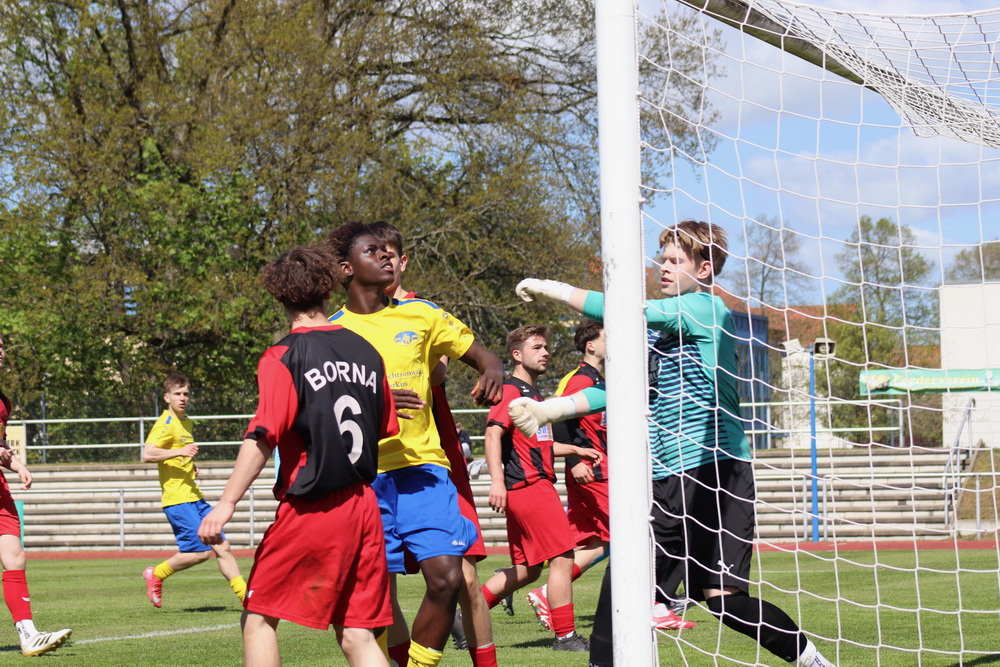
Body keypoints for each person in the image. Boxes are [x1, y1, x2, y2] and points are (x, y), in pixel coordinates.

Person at [511, 220, 835, 667]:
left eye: (674, 260)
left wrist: (555, 289)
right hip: (667, 477)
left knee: (718, 599)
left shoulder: (707, 308)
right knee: (633, 581)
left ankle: (812, 661)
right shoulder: (654, 335)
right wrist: (551, 410)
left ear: (703, 269)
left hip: (715, 470)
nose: (662, 267)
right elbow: (620, 390)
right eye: (661, 259)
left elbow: (624, 310)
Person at [199, 245, 398, 667]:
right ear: (328, 289)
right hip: (364, 506)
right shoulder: (367, 352)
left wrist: (226, 502)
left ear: (279, 296)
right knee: (358, 635)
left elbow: (263, 435)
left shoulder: (283, 356)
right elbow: (383, 428)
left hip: (314, 506)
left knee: (258, 618)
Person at [327, 222, 504, 667]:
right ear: (346, 269)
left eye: (388, 251)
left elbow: (480, 354)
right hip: (364, 479)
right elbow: (323, 414)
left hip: (423, 469)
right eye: (372, 251)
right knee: (374, 599)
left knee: (448, 578)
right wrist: (378, 403)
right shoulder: (331, 334)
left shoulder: (422, 314)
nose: (386, 256)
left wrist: (492, 367)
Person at [524, 319, 694, 632]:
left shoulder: (599, 379)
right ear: (590, 345)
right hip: (593, 472)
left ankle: (545, 592)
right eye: (607, 337)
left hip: (601, 470)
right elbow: (558, 417)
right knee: (633, 533)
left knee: (600, 541)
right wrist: (575, 459)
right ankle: (651, 604)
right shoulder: (580, 380)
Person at [478, 325, 601, 653]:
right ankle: (565, 637)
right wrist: (497, 481)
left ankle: (464, 616)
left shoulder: (533, 395)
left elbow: (540, 445)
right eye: (537, 347)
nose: (545, 352)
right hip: (529, 486)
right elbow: (492, 433)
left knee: (528, 570)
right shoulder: (511, 391)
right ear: (517, 355)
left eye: (546, 347)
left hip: (530, 487)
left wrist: (575, 450)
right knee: (563, 557)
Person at [141, 374, 246, 609]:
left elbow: (177, 453)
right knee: (199, 553)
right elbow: (148, 453)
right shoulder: (166, 423)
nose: (182, 398)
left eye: (186, 394)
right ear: (167, 397)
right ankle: (156, 573)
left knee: (223, 547)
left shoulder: (186, 422)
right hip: (178, 500)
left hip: (195, 497)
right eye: (177, 394)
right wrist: (180, 452)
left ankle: (246, 598)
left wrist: (190, 465)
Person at [0, 334, 72, 657]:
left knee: (15, 557)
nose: (0, 351)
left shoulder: (3, 402)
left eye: (1, 346)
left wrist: (17, 465)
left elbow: (1, 446)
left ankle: (28, 635)